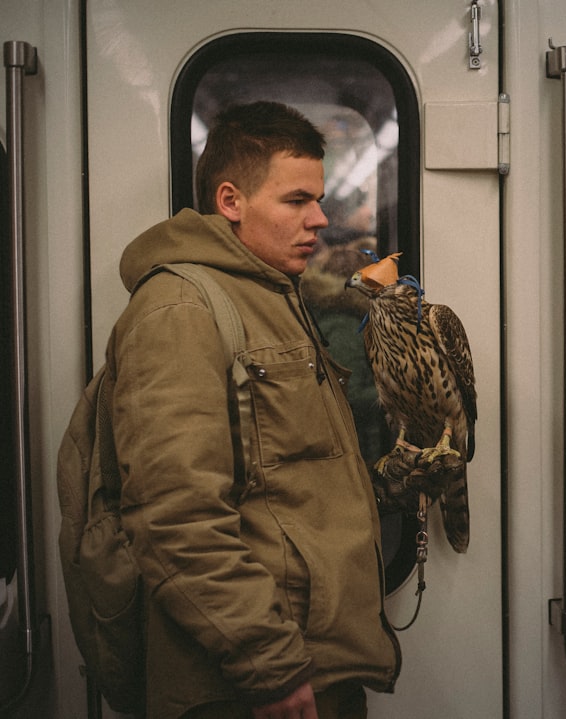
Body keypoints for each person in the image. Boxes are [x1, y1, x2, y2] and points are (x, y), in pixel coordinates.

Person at [108, 101, 401, 718]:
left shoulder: (272, 293)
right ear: (231, 200)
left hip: (308, 656)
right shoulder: (181, 309)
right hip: (246, 681)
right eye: (296, 201)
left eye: (318, 200)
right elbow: (175, 517)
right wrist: (268, 665)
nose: (320, 220)